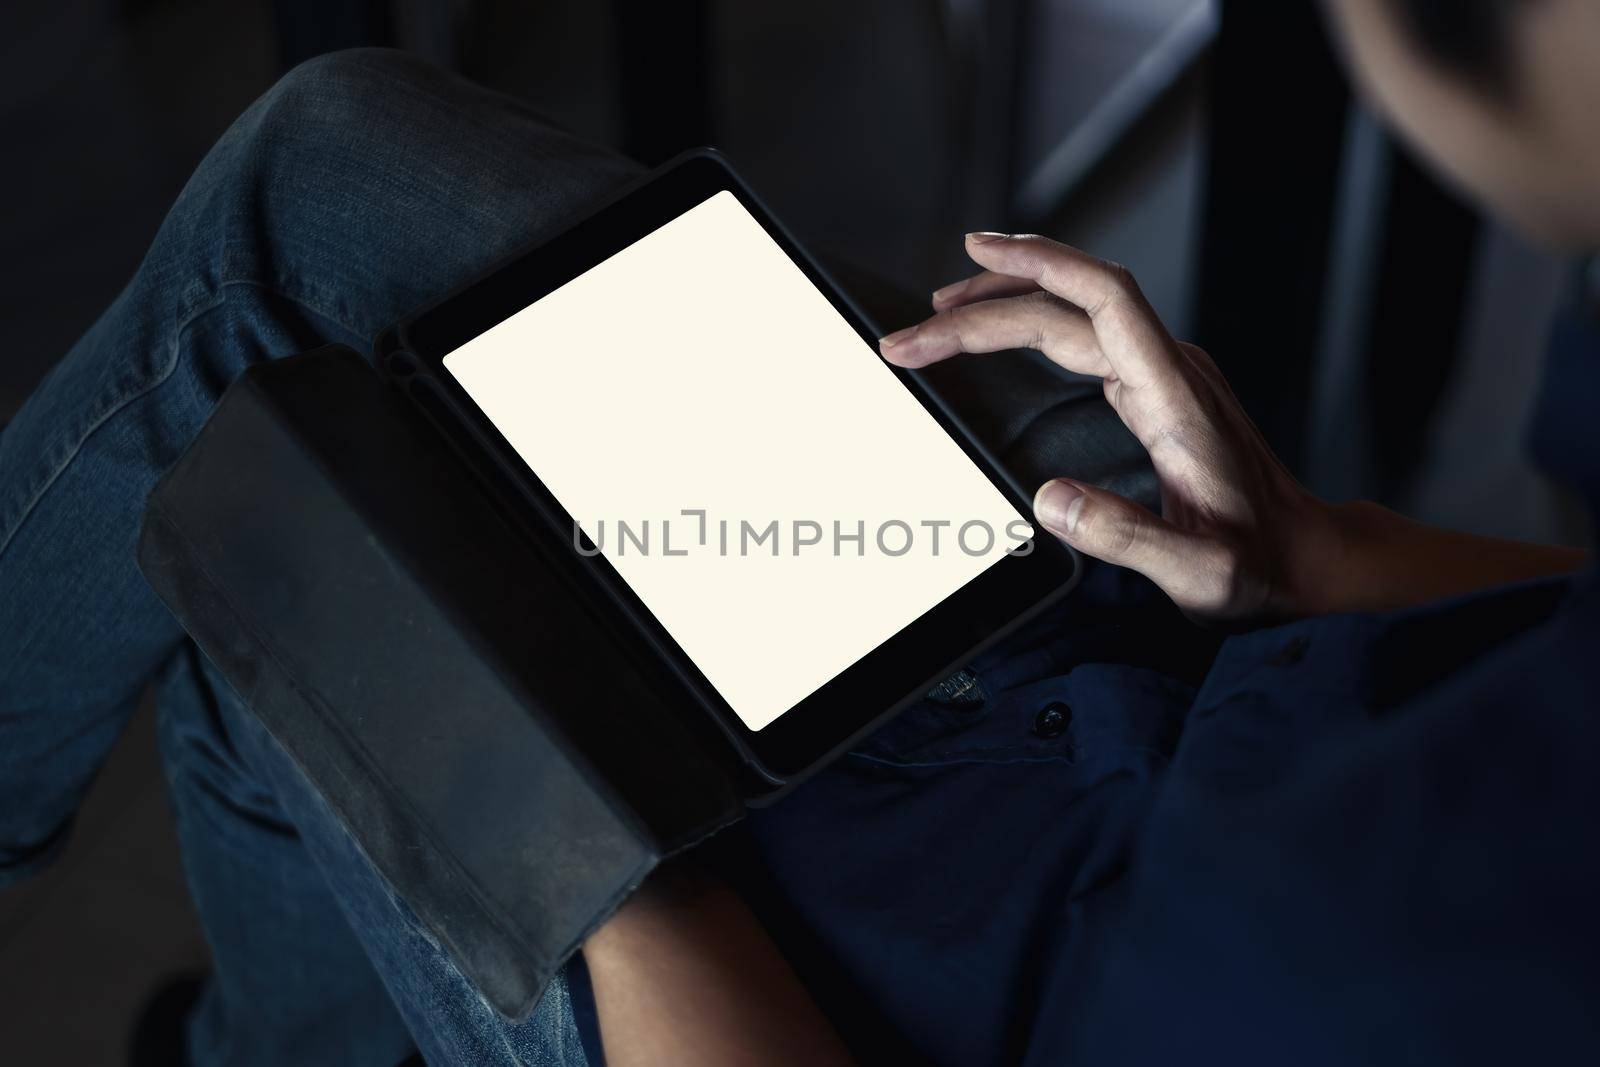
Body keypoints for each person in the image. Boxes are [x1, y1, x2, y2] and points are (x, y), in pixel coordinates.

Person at [2, 0, 1596, 1062]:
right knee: (319, 193)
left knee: (276, 499)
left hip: (817, 961)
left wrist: (571, 828)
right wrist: (1304, 557)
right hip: (1174, 677)